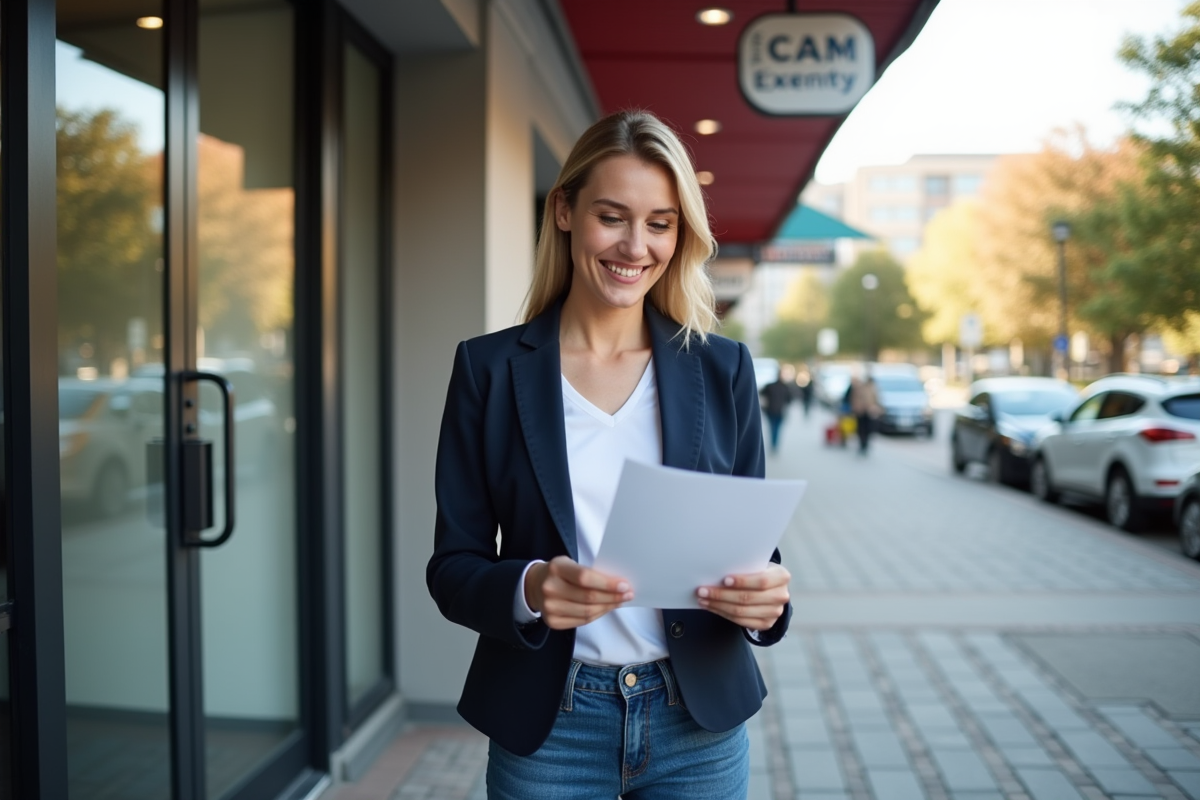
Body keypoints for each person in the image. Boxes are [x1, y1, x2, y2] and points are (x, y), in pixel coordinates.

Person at [427, 110, 792, 799]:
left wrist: (768, 599)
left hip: (698, 728)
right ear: (564, 211)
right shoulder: (489, 370)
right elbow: (453, 567)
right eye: (613, 216)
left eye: (660, 223)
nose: (636, 245)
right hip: (550, 725)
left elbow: (751, 553)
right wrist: (531, 588)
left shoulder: (723, 369)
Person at [760, 363, 796, 453]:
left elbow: (761, 394)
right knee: (776, 428)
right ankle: (774, 445)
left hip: (772, 410)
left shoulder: (770, 386)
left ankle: (773, 445)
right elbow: (790, 400)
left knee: (773, 428)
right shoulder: (785, 387)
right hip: (778, 411)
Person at [847, 375, 883, 454]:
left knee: (867, 428)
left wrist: (876, 408)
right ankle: (862, 444)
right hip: (860, 411)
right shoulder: (860, 388)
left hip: (869, 411)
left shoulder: (872, 389)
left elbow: (876, 400)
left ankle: (865, 444)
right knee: (861, 428)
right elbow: (854, 399)